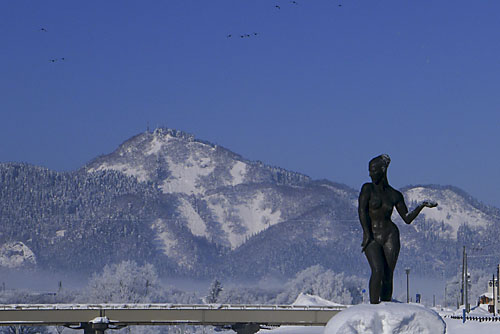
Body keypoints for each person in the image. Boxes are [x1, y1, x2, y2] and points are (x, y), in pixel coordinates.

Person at [358, 154, 437, 304]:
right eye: (369, 170)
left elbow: (407, 218)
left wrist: (421, 205)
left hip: (390, 235)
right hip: (373, 235)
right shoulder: (367, 189)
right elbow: (362, 211)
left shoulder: (394, 194)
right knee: (377, 270)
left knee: (388, 274)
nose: (370, 174)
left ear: (383, 169)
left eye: (374, 170)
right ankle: (373, 308)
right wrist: (366, 233)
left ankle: (387, 306)